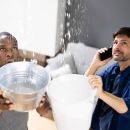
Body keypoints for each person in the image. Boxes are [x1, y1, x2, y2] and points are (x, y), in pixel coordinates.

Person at [85, 27, 130, 130]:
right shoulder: (112, 69)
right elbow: (85, 85)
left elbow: (126, 107)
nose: (117, 46)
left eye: (124, 43)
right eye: (115, 42)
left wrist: (101, 93)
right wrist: (94, 65)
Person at [0, 32, 28, 130]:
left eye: (14, 48)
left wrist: (44, 110)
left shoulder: (23, 77)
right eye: (2, 49)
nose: (10, 54)